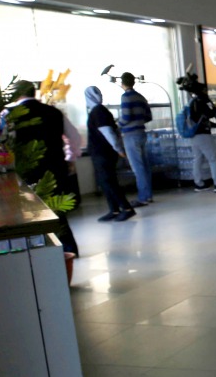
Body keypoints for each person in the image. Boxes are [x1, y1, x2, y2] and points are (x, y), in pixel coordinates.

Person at [8, 80, 80, 254]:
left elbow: (7, 144)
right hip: (56, 167)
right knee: (57, 210)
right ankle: (69, 248)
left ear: (16, 95)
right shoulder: (54, 112)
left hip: (27, 171)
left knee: (31, 213)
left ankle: (43, 252)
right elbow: (75, 138)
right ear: (34, 92)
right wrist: (70, 158)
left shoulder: (10, 115)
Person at [84, 86, 135, 221]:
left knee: (109, 181)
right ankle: (114, 210)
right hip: (102, 152)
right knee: (105, 182)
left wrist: (118, 149)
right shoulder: (98, 111)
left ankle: (126, 208)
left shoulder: (98, 111)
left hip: (104, 153)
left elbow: (108, 133)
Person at [118, 72, 154, 205]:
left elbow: (126, 117)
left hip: (130, 135)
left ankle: (143, 198)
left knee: (137, 167)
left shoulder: (126, 97)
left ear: (123, 83)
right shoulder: (141, 97)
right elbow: (149, 116)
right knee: (145, 166)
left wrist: (117, 124)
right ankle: (148, 195)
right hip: (141, 133)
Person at [187, 94, 216, 192]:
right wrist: (215, 109)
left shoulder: (192, 103)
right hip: (203, 135)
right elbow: (209, 115)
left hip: (193, 135)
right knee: (214, 158)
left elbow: (202, 120)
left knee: (197, 159)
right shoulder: (200, 102)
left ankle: (198, 183)